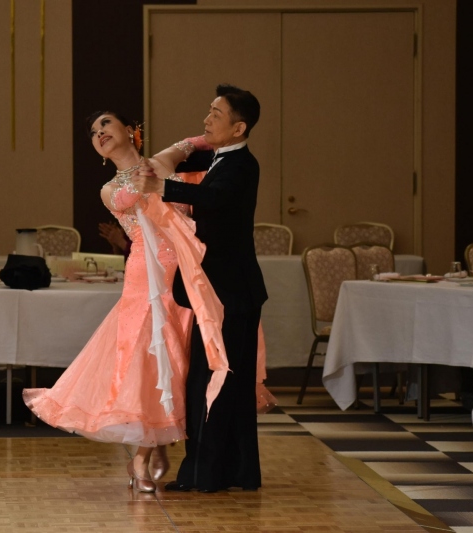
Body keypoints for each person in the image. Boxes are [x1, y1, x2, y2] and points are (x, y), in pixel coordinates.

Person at [24, 111, 224, 493]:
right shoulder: (110, 189)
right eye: (93, 132)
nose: (99, 132)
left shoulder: (161, 164)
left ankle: (159, 444)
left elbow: (194, 144)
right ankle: (141, 459)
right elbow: (133, 195)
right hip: (147, 276)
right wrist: (162, 166)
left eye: (105, 124)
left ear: (130, 131)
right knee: (151, 360)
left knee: (180, 361)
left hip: (187, 270)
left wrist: (210, 140)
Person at [132, 84, 268, 493]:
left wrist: (161, 188)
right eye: (208, 111)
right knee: (225, 384)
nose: (207, 120)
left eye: (216, 114)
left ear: (239, 127)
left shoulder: (242, 165)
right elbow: (180, 164)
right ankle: (234, 473)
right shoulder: (221, 157)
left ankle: (205, 475)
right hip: (223, 290)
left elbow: (214, 198)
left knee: (215, 383)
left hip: (228, 293)